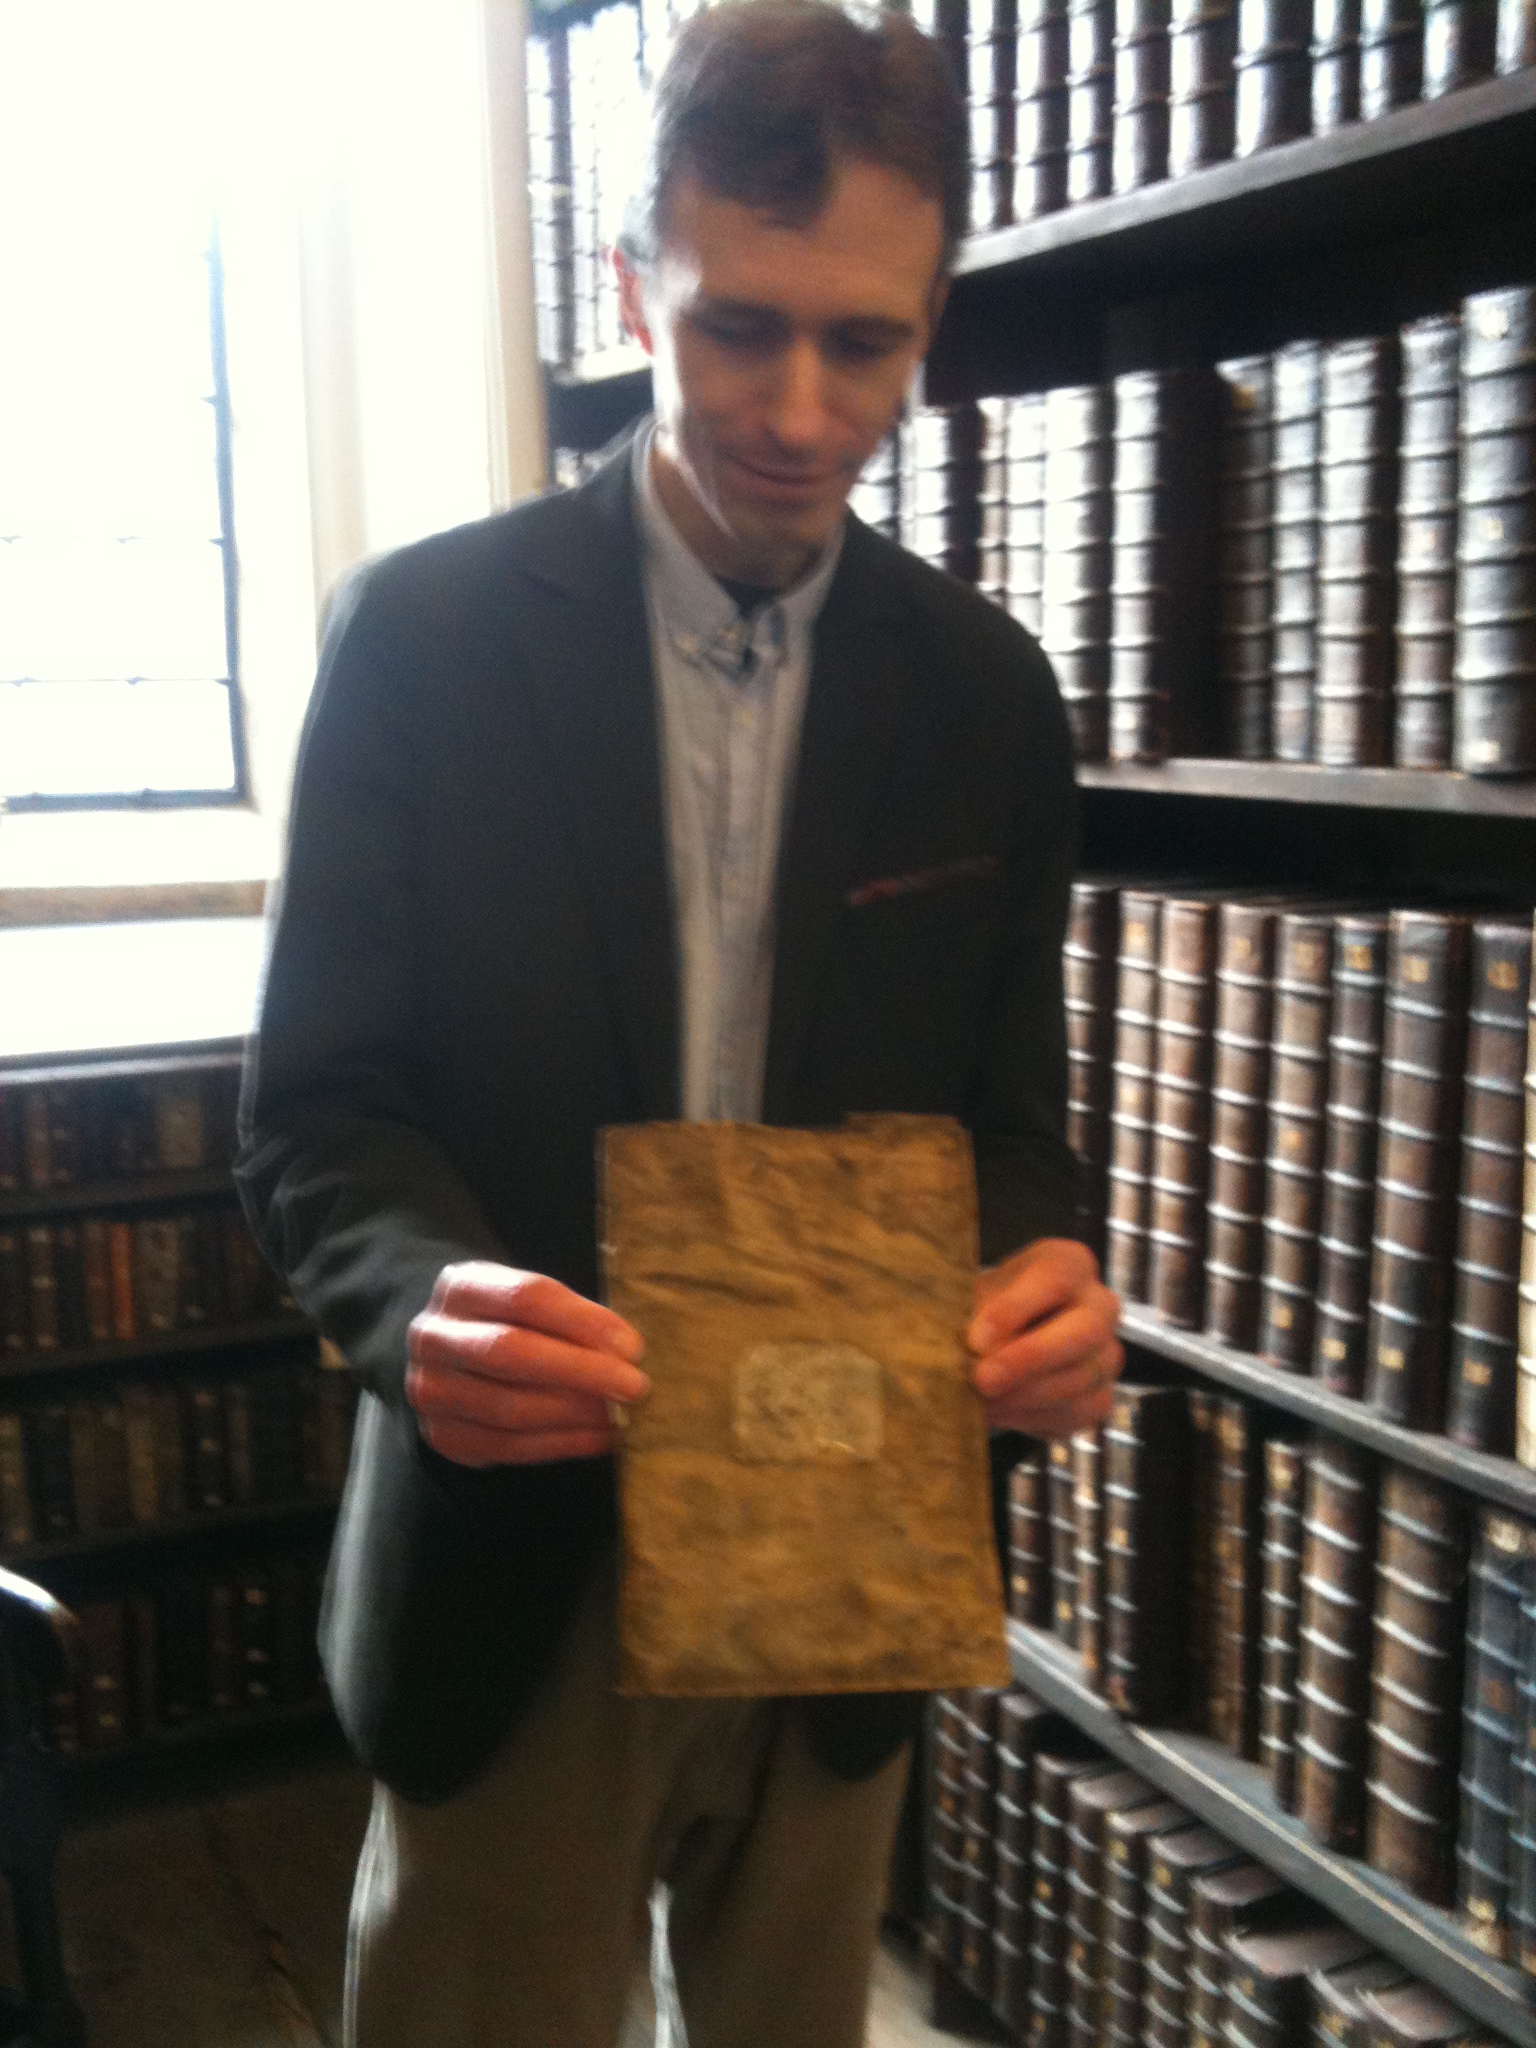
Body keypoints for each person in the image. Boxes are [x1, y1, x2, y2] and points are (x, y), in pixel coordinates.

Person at [235, 2, 1122, 2042]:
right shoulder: (422, 641)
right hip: (514, 1556)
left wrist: (1049, 1269)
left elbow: (1017, 1125)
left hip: (848, 1562)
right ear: (634, 289)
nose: (803, 409)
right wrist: (417, 1299)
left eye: (867, 342)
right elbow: (320, 1116)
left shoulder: (990, 698)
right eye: (739, 328)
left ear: (932, 325)